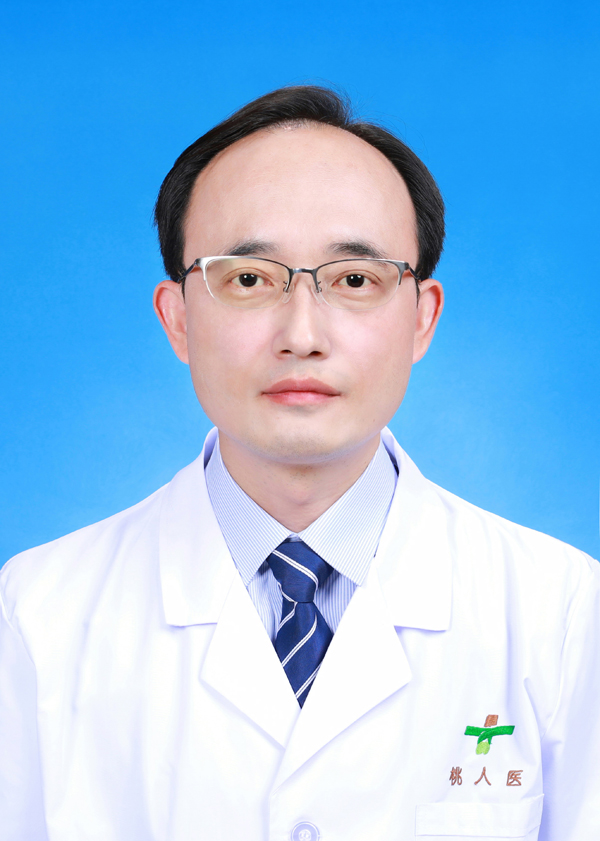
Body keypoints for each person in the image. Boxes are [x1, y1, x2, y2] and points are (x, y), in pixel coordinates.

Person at [0, 85, 598, 841]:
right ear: (178, 318)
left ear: (422, 318)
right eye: (249, 279)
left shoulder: (563, 613)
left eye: (355, 279)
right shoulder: (37, 616)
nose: (303, 335)